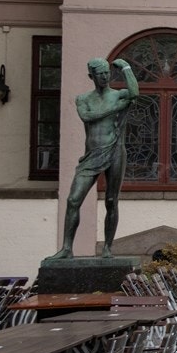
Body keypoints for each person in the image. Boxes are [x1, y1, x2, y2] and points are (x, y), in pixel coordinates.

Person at [46, 57, 138, 260]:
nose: (105, 77)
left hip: (115, 150)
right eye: (100, 74)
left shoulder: (118, 94)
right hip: (92, 155)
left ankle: (107, 248)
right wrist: (116, 108)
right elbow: (87, 117)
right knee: (73, 199)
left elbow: (135, 92)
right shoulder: (83, 99)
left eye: (107, 73)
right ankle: (67, 248)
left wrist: (126, 68)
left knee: (112, 200)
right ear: (92, 76)